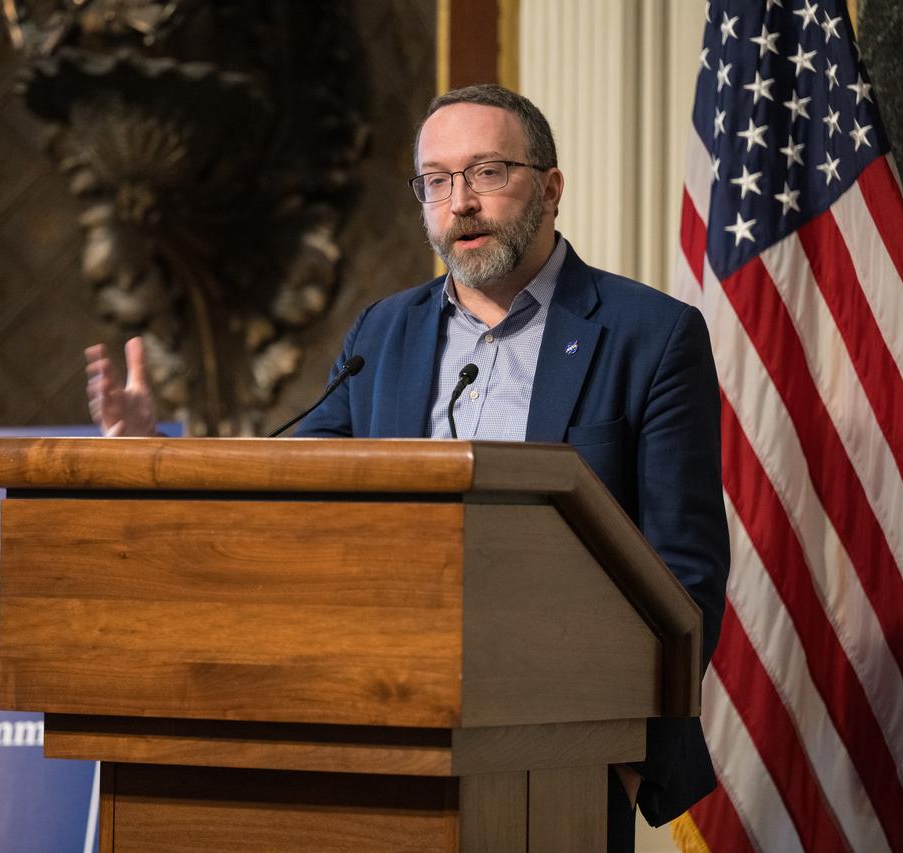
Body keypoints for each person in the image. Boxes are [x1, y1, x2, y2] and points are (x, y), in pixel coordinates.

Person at [85, 84, 729, 851]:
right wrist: (151, 452)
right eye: (437, 180)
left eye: (487, 172)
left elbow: (682, 576)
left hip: (558, 759)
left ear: (551, 188)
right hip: (376, 732)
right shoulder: (382, 331)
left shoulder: (649, 335)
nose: (459, 202)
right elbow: (288, 489)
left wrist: (618, 751)